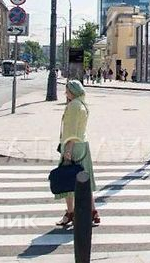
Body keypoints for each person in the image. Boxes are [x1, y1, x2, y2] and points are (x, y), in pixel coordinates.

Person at [55, 80, 100, 227]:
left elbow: (72, 130)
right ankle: (93, 212)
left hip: (73, 146)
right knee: (84, 181)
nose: (65, 93)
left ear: (73, 92)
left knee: (68, 179)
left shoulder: (74, 105)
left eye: (67, 91)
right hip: (82, 145)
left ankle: (70, 212)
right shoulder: (82, 103)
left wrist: (68, 149)